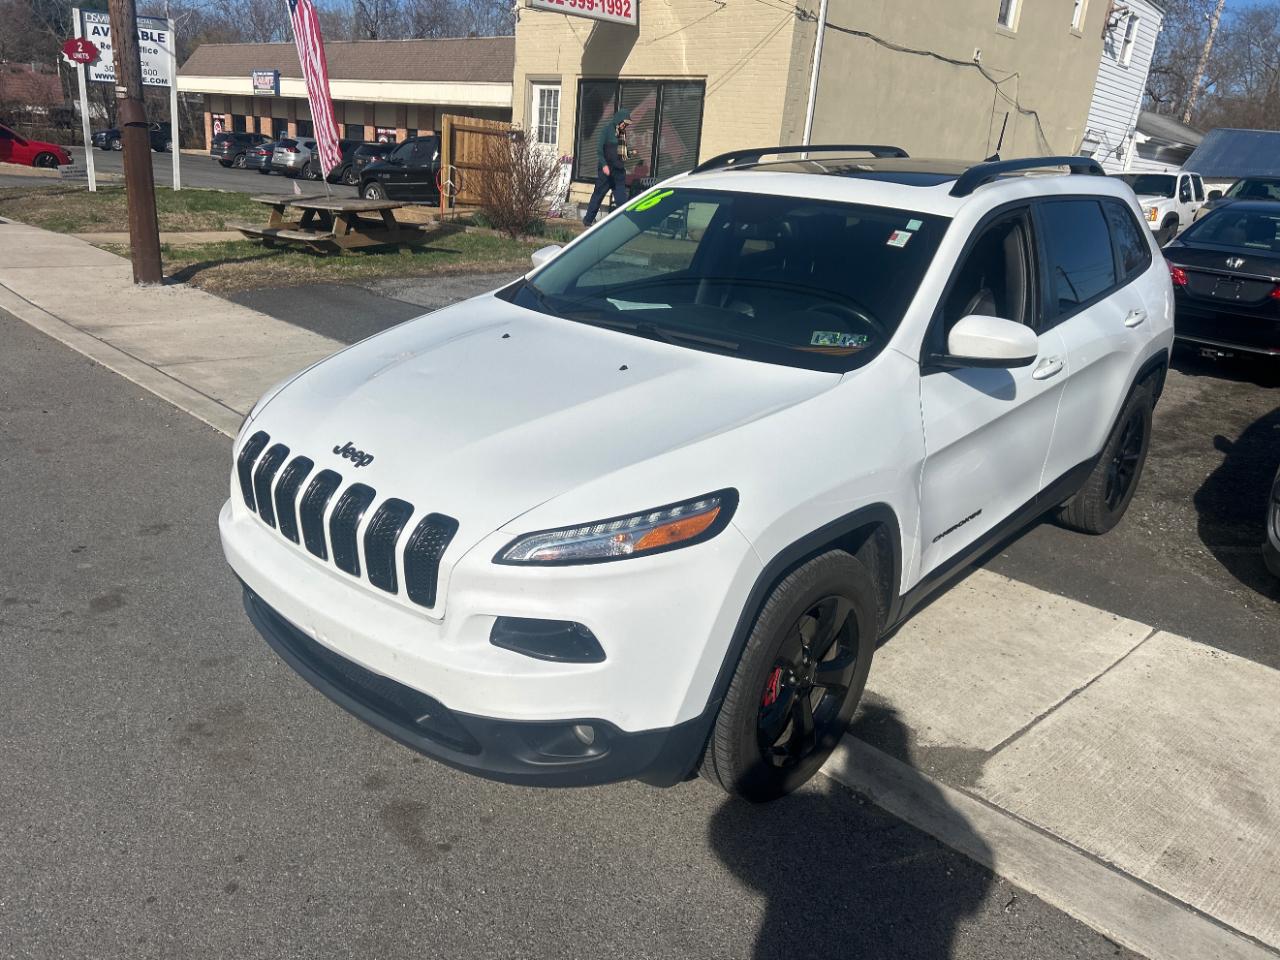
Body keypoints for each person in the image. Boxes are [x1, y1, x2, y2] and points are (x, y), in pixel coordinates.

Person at [582, 109, 632, 226]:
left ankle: (624, 223)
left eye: (627, 124)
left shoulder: (623, 133)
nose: (625, 126)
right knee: (598, 195)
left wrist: (628, 154)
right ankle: (588, 220)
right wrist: (604, 165)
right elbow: (599, 150)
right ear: (618, 120)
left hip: (618, 171)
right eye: (624, 123)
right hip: (606, 170)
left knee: (621, 199)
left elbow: (621, 152)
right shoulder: (606, 130)